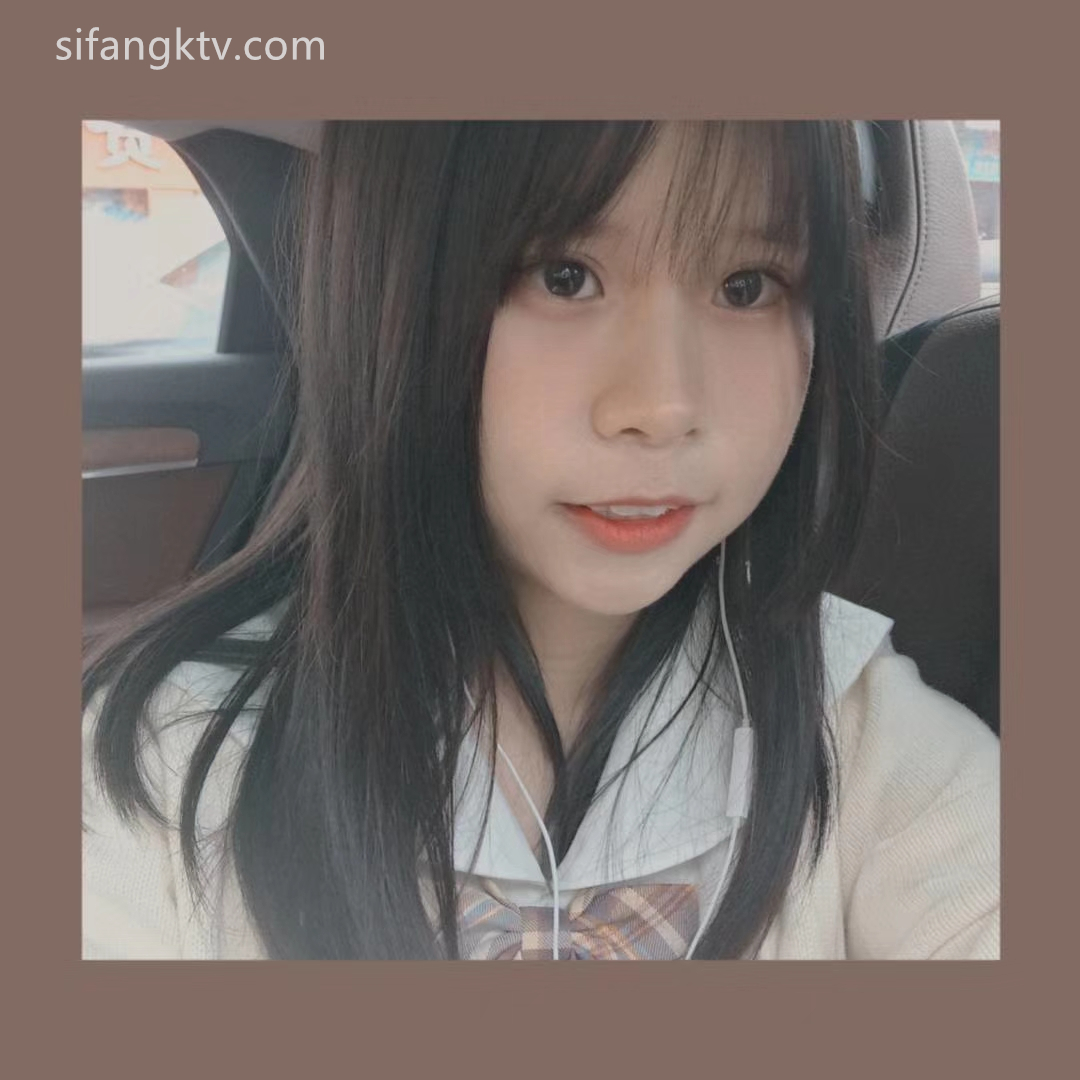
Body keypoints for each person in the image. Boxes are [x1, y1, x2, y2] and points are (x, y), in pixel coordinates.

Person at [82, 121, 1000, 960]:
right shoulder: (164, 759)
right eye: (564, 276)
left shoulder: (857, 731)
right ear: (384, 290)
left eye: (746, 286)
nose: (661, 406)